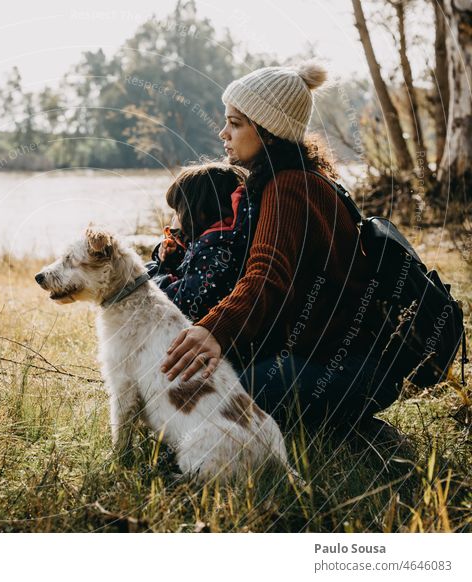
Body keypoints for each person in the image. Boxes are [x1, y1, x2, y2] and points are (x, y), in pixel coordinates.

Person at [160, 63, 404, 436]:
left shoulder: (289, 188)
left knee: (192, 391)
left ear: (269, 134)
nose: (223, 133)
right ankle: (338, 420)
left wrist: (214, 330)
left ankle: (346, 425)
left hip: (346, 369)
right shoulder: (298, 179)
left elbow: (267, 276)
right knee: (200, 384)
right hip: (342, 364)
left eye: (236, 123)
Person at [147, 162, 256, 323]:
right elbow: (190, 269)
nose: (173, 219)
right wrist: (171, 256)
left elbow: (181, 303)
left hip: (198, 328)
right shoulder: (211, 242)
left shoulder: (217, 254)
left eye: (177, 211)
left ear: (199, 212)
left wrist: (161, 279)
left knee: (146, 277)